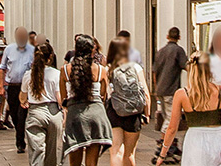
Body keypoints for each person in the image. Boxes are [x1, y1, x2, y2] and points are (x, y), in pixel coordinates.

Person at [156, 52, 221, 166]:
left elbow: (172, 128)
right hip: (219, 139)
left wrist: (163, 154)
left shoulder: (182, 94)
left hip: (195, 141)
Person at [60, 34, 112, 166]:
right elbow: (103, 95)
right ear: (93, 50)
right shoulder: (101, 70)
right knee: (92, 163)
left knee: (75, 162)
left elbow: (63, 97)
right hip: (96, 115)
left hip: (75, 116)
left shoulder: (65, 70)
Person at [106, 37, 150, 166]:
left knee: (115, 151)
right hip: (133, 112)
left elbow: (104, 93)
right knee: (130, 153)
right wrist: (146, 114)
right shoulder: (136, 67)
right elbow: (145, 93)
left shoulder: (107, 68)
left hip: (114, 111)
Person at [20, 43, 63, 166]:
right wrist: (64, 110)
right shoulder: (56, 73)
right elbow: (59, 97)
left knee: (36, 150)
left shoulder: (28, 74)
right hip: (53, 112)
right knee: (53, 150)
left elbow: (22, 97)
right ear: (50, 58)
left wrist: (24, 101)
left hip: (35, 112)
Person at [0, 27, 36, 153]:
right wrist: (2, 86)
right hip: (12, 86)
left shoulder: (32, 50)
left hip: (26, 87)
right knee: (14, 113)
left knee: (22, 114)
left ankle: (20, 142)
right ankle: (19, 130)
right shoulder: (9, 49)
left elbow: (36, 69)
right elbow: (2, 68)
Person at [152, 27, 187, 162]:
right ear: (179, 37)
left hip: (160, 89)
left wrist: (156, 88)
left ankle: (169, 142)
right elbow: (186, 66)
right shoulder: (178, 50)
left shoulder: (160, 51)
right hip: (171, 89)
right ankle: (164, 142)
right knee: (171, 118)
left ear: (167, 36)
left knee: (167, 115)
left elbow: (155, 71)